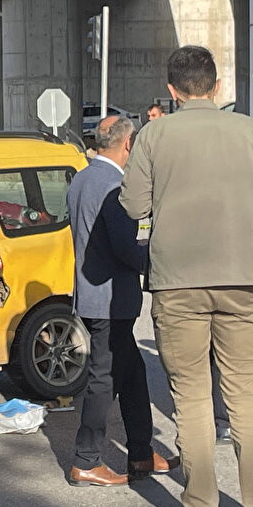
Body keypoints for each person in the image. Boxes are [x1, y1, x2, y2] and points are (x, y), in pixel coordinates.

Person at [120, 45, 253, 507]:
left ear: (172, 91)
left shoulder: (155, 134)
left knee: (191, 396)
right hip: (244, 278)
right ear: (216, 87)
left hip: (179, 281)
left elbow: (132, 206)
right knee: (245, 395)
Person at [66, 115, 175, 487]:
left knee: (131, 374)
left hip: (99, 294)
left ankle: (141, 453)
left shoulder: (82, 177)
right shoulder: (115, 185)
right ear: (129, 144)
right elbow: (127, 247)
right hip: (109, 298)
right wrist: (158, 261)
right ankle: (87, 458)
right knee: (103, 377)